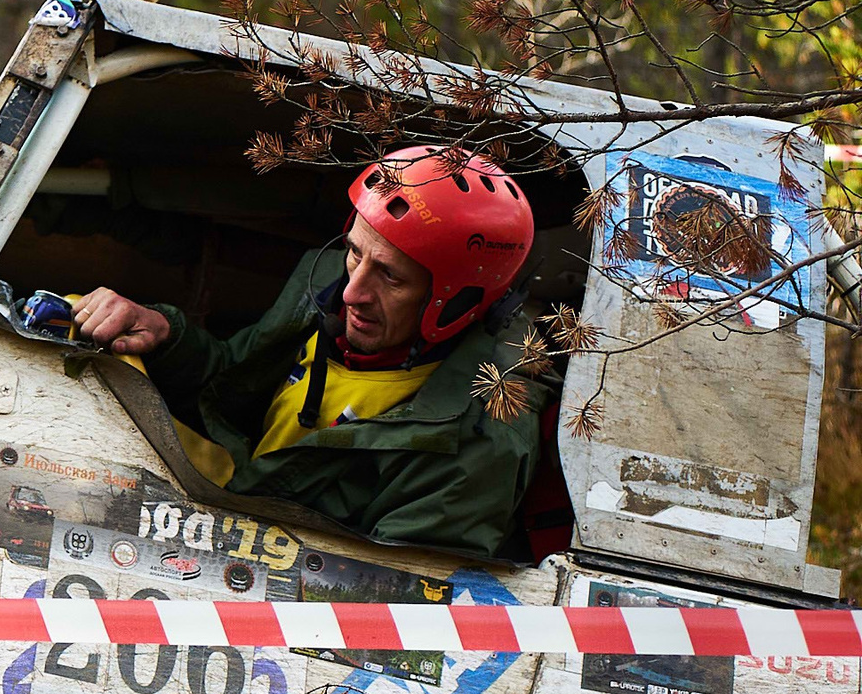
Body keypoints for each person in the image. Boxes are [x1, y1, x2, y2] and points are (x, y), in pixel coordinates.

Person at [69, 145, 550, 560]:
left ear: (459, 299)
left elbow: (395, 602)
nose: (352, 292)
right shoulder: (327, 294)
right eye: (355, 252)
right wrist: (165, 335)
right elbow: (233, 385)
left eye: (390, 276)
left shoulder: (480, 442)